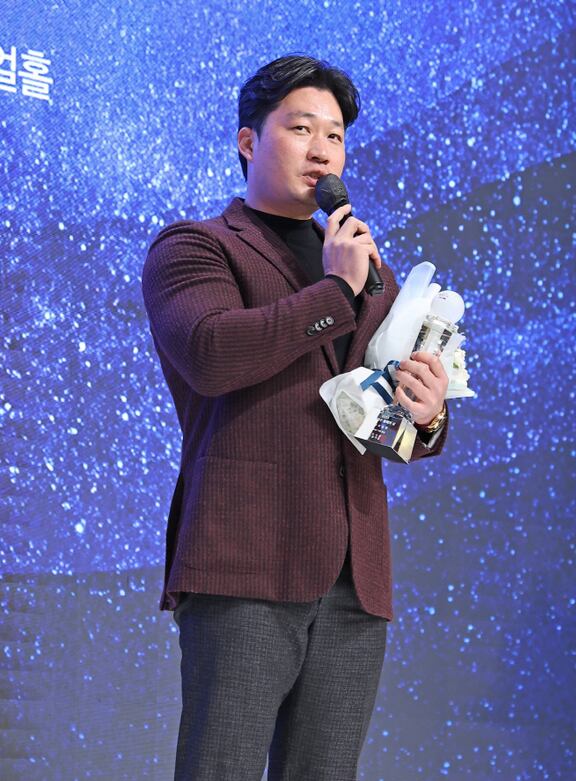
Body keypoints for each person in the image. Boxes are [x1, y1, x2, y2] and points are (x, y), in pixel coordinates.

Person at [141, 54, 449, 781]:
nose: (322, 150)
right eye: (302, 128)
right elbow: (213, 354)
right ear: (249, 141)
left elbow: (381, 419)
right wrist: (336, 291)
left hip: (355, 575)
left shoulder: (372, 271)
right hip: (246, 558)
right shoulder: (197, 246)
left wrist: (427, 414)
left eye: (335, 135)